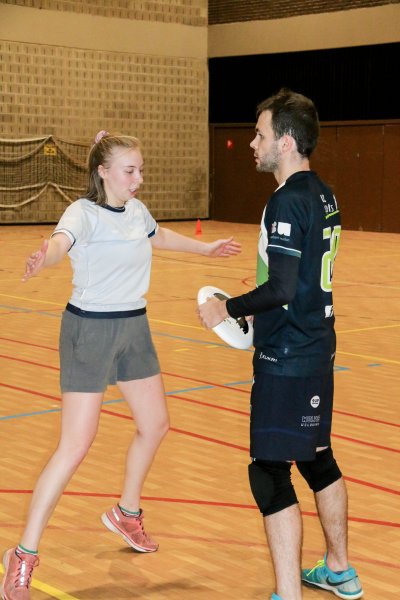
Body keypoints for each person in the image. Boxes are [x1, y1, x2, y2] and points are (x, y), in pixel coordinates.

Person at [1, 130, 241, 600]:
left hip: (134, 327)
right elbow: (59, 243)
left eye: (141, 169)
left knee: (155, 424)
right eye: (130, 170)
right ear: (103, 172)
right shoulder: (82, 213)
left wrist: (205, 249)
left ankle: (126, 514)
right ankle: (22, 555)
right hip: (89, 331)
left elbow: (159, 236)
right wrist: (43, 258)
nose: (139, 178)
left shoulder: (137, 211)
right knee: (75, 445)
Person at [197, 89, 363, 600]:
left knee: (268, 472)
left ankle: (287, 593)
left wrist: (228, 309)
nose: (252, 143)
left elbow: (283, 288)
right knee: (317, 458)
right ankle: (340, 570)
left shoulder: (287, 200)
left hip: (287, 358)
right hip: (317, 347)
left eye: (261, 134)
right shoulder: (324, 193)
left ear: (286, 142)